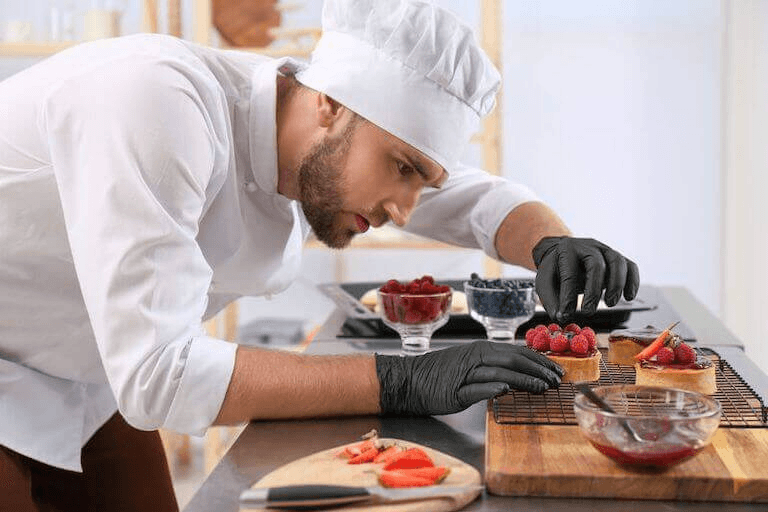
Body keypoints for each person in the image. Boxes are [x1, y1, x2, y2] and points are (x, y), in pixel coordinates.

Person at [0, 0, 639, 509]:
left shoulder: (314, 145)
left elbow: (477, 199)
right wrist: (402, 381)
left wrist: (552, 242)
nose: (403, 210)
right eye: (403, 168)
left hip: (80, 379)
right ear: (330, 102)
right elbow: (160, 376)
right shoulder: (158, 103)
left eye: (422, 180)